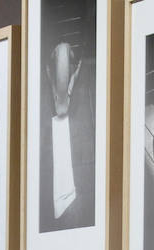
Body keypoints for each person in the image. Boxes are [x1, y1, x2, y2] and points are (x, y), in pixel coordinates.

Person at [41, 39, 95, 231]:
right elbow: (61, 93)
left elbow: (65, 89)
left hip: (71, 193)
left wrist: (76, 70)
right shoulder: (59, 102)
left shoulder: (63, 100)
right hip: (60, 112)